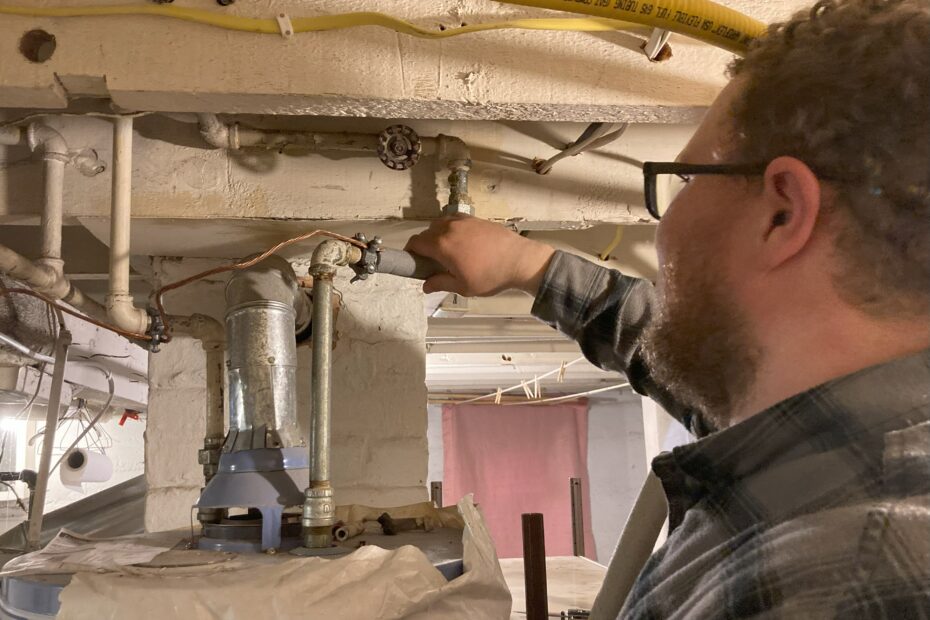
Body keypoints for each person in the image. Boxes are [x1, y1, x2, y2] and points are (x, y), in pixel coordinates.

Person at [406, 0, 930, 616]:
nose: (666, 222)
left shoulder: (851, 579)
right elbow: (662, 349)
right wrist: (530, 267)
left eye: (683, 180)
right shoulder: (823, 454)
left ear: (782, 212)